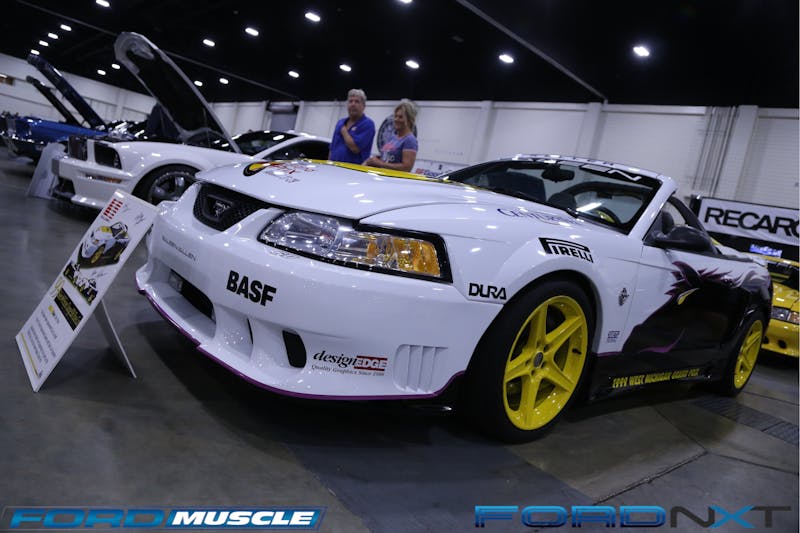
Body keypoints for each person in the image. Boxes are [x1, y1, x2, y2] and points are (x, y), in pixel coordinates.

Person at [364, 100, 418, 172]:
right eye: (395, 116)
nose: (396, 119)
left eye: (400, 117)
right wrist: (375, 160)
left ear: (409, 120)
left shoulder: (410, 140)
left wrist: (380, 163)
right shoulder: (393, 138)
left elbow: (406, 168)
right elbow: (389, 159)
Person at [328, 89, 375, 164]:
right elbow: (332, 148)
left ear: (363, 106)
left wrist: (343, 130)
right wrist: (328, 163)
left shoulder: (368, 124)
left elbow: (355, 148)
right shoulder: (341, 122)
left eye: (357, 101)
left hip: (352, 169)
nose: (353, 104)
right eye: (350, 101)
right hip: (334, 166)